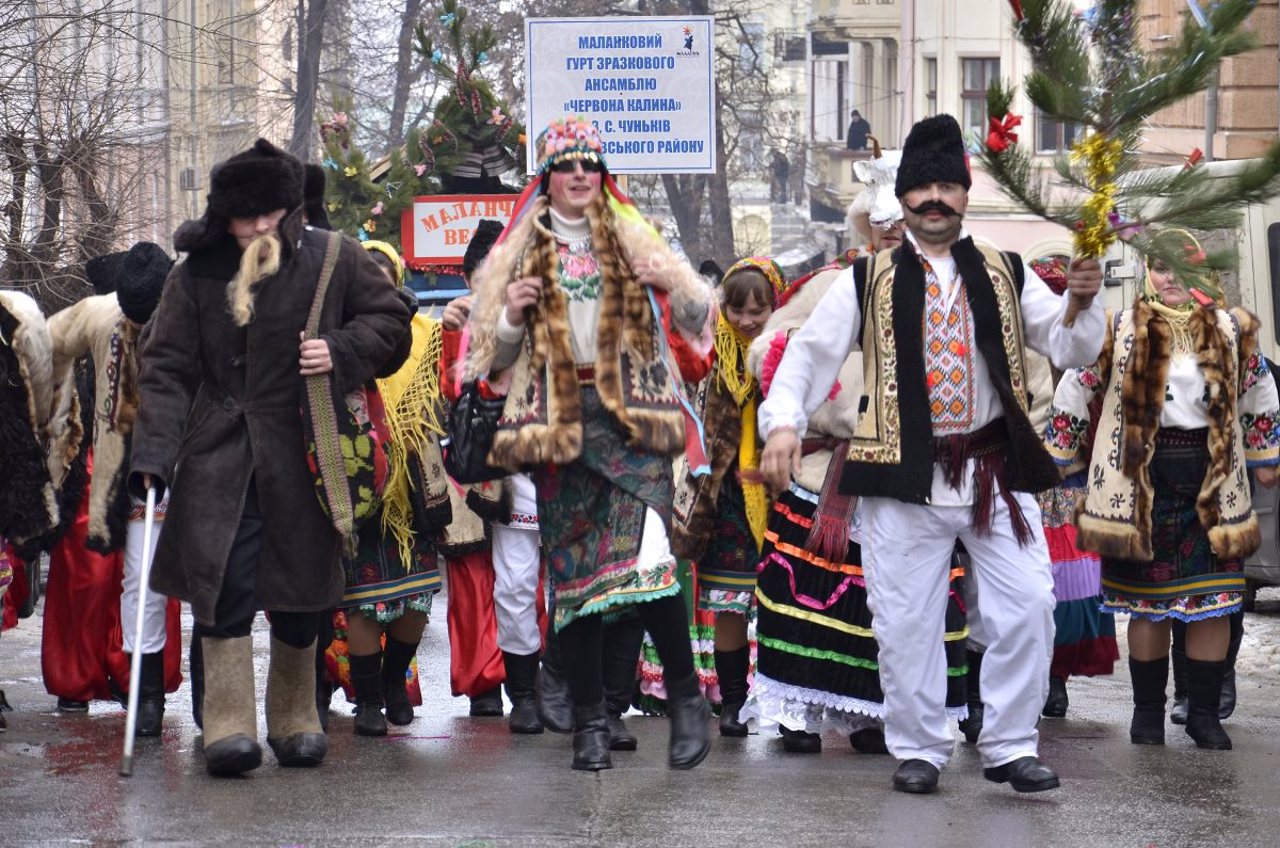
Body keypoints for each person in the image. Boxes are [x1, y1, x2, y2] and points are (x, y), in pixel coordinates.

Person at [759, 113, 1105, 795]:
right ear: (905, 199)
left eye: (949, 186)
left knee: (1030, 603)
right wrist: (781, 424)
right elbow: (806, 357)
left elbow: (1074, 349)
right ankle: (918, 747)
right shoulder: (866, 280)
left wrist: (1084, 304)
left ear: (966, 194)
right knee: (906, 616)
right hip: (898, 474)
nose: (935, 200)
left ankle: (1008, 745)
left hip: (993, 474)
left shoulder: (1008, 272)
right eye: (923, 189)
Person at [129, 138, 411, 776]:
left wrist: (340, 348)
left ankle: (293, 717)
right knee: (222, 581)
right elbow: (165, 367)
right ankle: (227, 724)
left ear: (291, 209)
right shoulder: (194, 272)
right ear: (224, 217)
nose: (258, 229)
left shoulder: (333, 258)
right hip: (218, 453)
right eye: (245, 217)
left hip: (306, 449)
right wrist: (152, 454)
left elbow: (392, 320)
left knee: (302, 587)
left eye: (270, 215)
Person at [462, 115, 717, 771]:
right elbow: (490, 361)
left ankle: (687, 699)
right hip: (558, 420)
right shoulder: (519, 251)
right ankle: (590, 727)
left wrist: (668, 282)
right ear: (547, 177)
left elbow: (696, 323)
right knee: (575, 579)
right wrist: (514, 315)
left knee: (650, 558)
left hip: (634, 415)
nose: (579, 175)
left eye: (590, 165)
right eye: (567, 165)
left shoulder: (633, 237)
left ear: (602, 176)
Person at [741, 152, 967, 757]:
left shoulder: (945, 287)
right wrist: (829, 398)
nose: (893, 231)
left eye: (903, 220)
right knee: (804, 592)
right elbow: (773, 351)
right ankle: (799, 712)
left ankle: (875, 712)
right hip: (828, 473)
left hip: (904, 473)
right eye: (883, 221)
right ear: (866, 224)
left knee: (890, 599)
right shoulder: (834, 283)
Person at [1044, 234, 1280, 751]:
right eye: (1159, 267)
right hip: (1139, 486)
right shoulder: (1119, 328)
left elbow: (1260, 391)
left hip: (1213, 488)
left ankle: (1203, 715)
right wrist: (1060, 453)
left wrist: (1266, 456)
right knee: (1149, 606)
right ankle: (1146, 715)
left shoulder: (1230, 328)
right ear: (1147, 272)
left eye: (1180, 267)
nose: (1169, 278)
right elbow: (1075, 385)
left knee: (1214, 604)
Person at [41, 243, 183, 733]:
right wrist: (61, 418)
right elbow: (45, 348)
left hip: (170, 460)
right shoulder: (99, 314)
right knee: (90, 572)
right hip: (102, 456)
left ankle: (143, 689)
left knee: (147, 577)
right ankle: (76, 678)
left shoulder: (193, 315)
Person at [439, 219, 550, 733]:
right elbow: (453, 391)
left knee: (575, 584)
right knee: (514, 583)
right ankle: (522, 692)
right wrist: (456, 333)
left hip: (569, 465)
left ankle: (575, 692)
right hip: (508, 473)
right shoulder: (468, 325)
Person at [335, 239, 448, 737]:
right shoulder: (341, 334)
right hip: (360, 479)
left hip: (413, 485)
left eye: (386, 276)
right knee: (364, 598)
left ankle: (393, 681)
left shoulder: (427, 333)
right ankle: (370, 703)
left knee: (417, 600)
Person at [669, 258, 784, 738]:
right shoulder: (710, 352)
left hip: (782, 491)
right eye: (738, 309)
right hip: (726, 496)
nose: (747, 320)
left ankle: (785, 706)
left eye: (758, 309)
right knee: (730, 602)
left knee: (784, 604)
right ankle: (733, 702)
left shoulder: (788, 349)